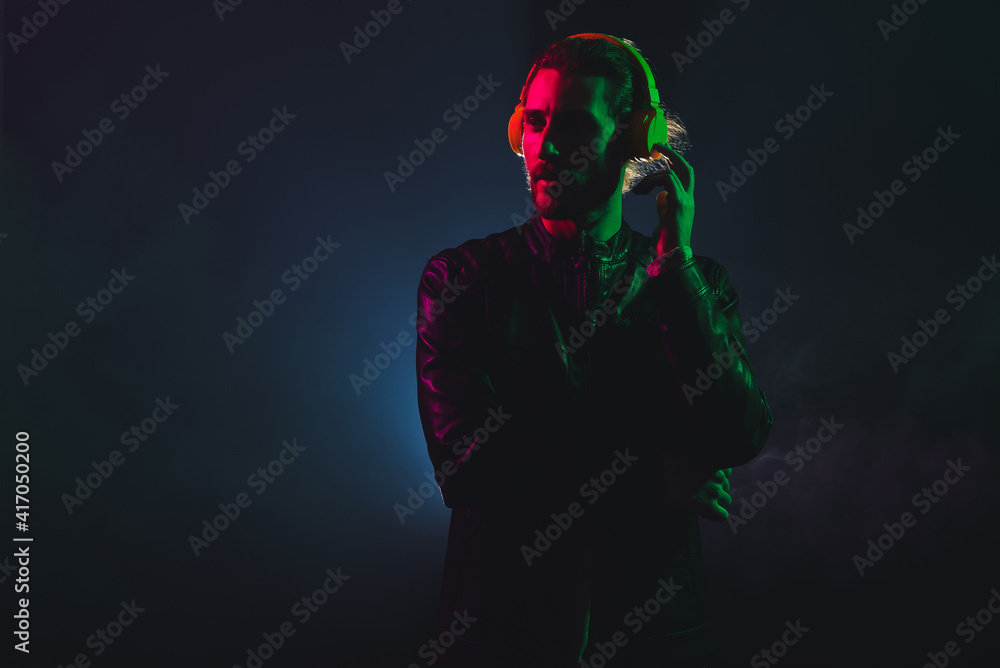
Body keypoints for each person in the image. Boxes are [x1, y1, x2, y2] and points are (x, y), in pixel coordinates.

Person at [415, 33, 773, 668]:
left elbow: (735, 436)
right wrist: (658, 476)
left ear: (637, 144)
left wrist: (677, 276)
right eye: (534, 121)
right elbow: (470, 462)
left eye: (575, 127)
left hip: (658, 642)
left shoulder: (696, 284)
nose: (545, 148)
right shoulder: (461, 279)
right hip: (498, 643)